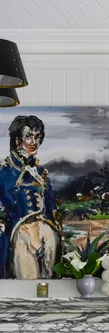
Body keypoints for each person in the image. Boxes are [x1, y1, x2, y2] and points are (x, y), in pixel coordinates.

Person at [0, 115, 61, 279]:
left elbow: (50, 207)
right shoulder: (3, 172)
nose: (34, 142)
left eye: (37, 136)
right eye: (28, 136)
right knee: (27, 285)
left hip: (45, 233)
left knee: (48, 284)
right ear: (17, 140)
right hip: (18, 234)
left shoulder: (41, 173)